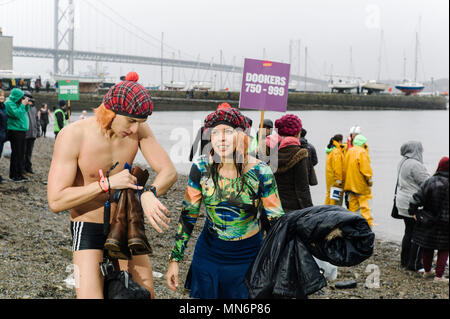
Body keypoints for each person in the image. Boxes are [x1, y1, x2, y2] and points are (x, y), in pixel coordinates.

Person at [47, 80, 178, 299]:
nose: (135, 128)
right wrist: (105, 185)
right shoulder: (73, 135)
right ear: (110, 111)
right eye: (131, 121)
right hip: (88, 226)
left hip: (126, 223)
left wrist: (148, 193)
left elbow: (169, 171)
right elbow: (56, 200)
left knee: (145, 295)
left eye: (140, 122)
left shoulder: (138, 129)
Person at [166, 107, 285, 299]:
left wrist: (279, 265)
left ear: (241, 136)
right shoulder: (201, 167)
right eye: (215, 133)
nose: (221, 138)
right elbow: (188, 215)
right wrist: (174, 260)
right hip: (208, 255)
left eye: (227, 132)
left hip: (248, 257)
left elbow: (277, 223)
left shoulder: (262, 173)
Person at [409, 157, 449, 283]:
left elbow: (416, 198)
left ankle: (427, 272)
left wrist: (413, 212)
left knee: (428, 246)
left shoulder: (430, 181)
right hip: (446, 222)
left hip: (429, 220)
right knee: (444, 248)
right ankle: (438, 276)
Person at [395, 141, 430, 271]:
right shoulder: (415, 164)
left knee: (408, 232)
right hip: (412, 203)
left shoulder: (403, 162)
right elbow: (426, 182)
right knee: (417, 233)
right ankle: (414, 264)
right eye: (421, 149)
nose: (422, 151)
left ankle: (405, 260)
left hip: (402, 202)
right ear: (415, 150)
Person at [272, 114, 313, 212]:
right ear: (297, 133)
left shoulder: (273, 153)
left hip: (275, 207)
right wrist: (310, 211)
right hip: (294, 210)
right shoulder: (300, 154)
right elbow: (303, 188)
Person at [343, 134, 374, 227]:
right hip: (361, 186)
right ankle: (368, 228)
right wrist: (370, 181)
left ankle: (352, 227)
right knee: (366, 210)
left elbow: (344, 168)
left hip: (349, 186)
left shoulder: (349, 151)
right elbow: (366, 170)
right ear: (362, 143)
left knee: (352, 210)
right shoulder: (362, 152)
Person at [5, 88, 30, 182]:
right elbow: (17, 114)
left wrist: (26, 105)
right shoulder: (9, 103)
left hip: (21, 130)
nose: (21, 99)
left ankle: (19, 174)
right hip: (15, 131)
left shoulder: (17, 103)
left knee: (21, 153)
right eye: (20, 97)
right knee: (16, 153)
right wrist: (23, 105)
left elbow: (24, 112)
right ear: (16, 96)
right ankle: (14, 175)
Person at [324, 134, 345, 206]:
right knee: (335, 203)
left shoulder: (331, 150)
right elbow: (337, 167)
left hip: (330, 180)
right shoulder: (336, 152)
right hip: (336, 182)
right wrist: (339, 181)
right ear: (340, 141)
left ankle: (325, 214)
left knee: (329, 198)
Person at [23, 91, 39, 175]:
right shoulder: (23, 107)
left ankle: (28, 167)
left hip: (32, 134)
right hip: (25, 134)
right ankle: (22, 168)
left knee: (29, 152)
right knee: (23, 152)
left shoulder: (34, 108)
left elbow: (37, 120)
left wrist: (38, 132)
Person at [0, 90, 6, 183]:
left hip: (2, 135)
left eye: (3, 96)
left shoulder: (3, 107)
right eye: (0, 96)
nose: (2, 97)